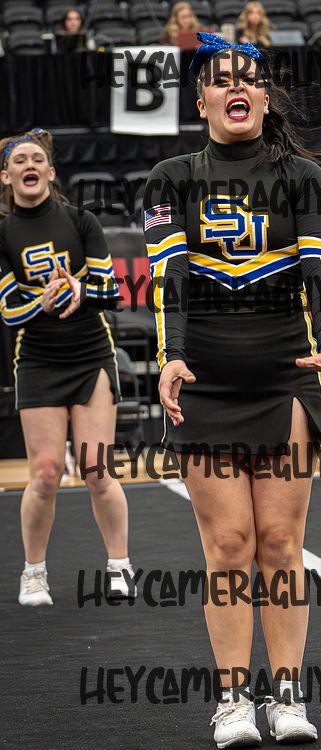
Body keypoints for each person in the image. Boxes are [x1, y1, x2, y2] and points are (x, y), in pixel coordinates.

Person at [144, 32, 321, 748]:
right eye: (221, 79)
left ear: (263, 97)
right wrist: (168, 357)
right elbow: (168, 278)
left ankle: (287, 698)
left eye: (249, 78)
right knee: (229, 544)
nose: (237, 86)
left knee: (282, 542)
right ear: (201, 102)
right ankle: (233, 702)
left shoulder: (302, 178)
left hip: (284, 380)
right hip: (205, 384)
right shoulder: (170, 177)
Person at [0, 128, 136, 606]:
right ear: (6, 176)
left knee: (97, 469)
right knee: (44, 472)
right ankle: (34, 573)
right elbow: (8, 311)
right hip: (38, 360)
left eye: (37, 159)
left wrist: (79, 290)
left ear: (51, 171)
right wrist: (42, 301)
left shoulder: (81, 220)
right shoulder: (3, 233)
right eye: (20, 160)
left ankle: (119, 565)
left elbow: (110, 291)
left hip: (89, 355)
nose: (29, 165)